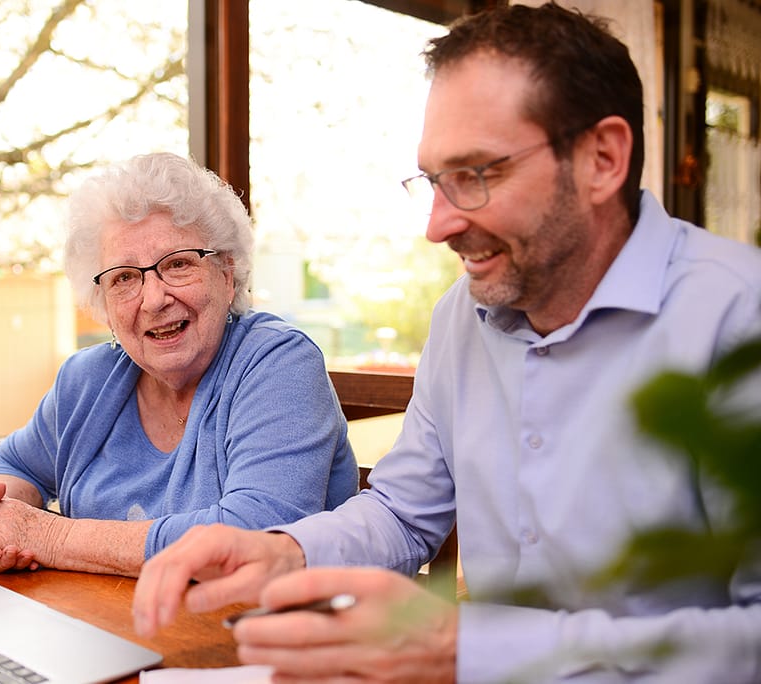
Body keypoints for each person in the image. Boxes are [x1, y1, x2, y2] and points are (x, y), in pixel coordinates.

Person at [132, 4, 761, 681]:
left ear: (601, 160)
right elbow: (403, 514)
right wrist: (285, 552)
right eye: (434, 180)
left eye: (475, 176)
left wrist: (466, 649)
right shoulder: (463, 316)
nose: (437, 225)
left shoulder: (739, 319)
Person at [0, 152, 358, 578]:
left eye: (178, 263)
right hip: (104, 628)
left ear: (228, 273)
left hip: (260, 634)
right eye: (124, 278)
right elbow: (12, 466)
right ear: (102, 303)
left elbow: (254, 534)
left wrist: (49, 537)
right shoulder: (87, 379)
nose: (154, 298)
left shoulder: (278, 365)